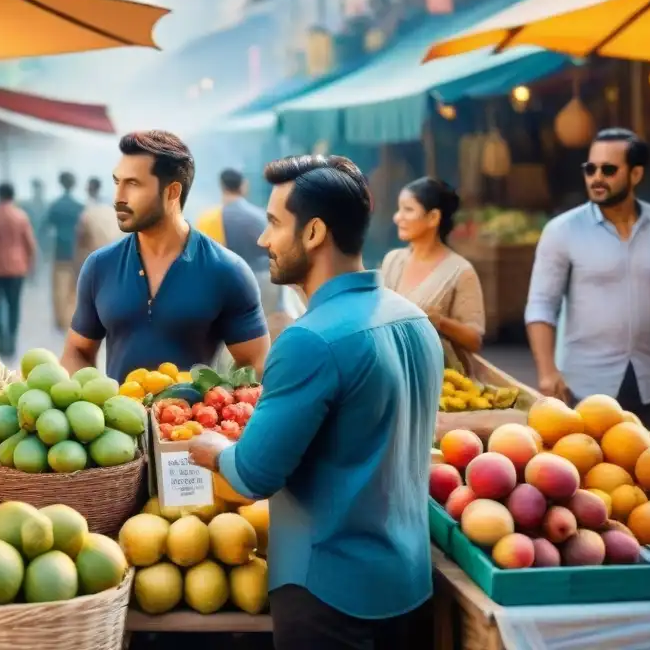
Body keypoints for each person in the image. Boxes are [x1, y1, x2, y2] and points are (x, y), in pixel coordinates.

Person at [187, 154, 441, 650]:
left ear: (314, 233)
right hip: (410, 584)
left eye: (275, 224)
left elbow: (254, 474)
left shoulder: (309, 341)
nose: (263, 241)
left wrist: (215, 448)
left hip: (329, 593)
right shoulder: (413, 319)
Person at [61, 130, 270, 382]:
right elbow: (77, 351)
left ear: (172, 192)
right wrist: (93, 404)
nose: (118, 197)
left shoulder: (227, 270)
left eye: (133, 184)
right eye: (118, 182)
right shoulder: (99, 266)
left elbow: (255, 364)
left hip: (192, 421)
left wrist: (214, 406)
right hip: (119, 418)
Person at [526, 127, 650, 429]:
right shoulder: (562, 231)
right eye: (590, 168)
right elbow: (541, 305)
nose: (596, 177)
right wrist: (547, 372)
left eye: (608, 170)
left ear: (635, 174)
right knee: (596, 472)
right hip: (586, 385)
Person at [382, 177, 485, 373]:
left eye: (408, 210)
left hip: (442, 380)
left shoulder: (460, 271)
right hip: (392, 372)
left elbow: (474, 340)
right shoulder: (392, 261)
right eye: (399, 209)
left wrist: (440, 322)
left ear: (433, 218)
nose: (397, 217)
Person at [198, 169, 307, 343]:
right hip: (265, 282)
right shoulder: (259, 216)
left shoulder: (209, 219)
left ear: (221, 186)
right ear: (243, 186)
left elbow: (205, 262)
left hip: (232, 285)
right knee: (265, 335)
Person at [0, 182, 37, 359]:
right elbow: (30, 244)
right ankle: (11, 339)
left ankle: (1, 336)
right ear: (13, 196)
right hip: (17, 268)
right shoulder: (21, 216)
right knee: (14, 306)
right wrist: (31, 267)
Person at [46, 172, 85, 330]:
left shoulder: (55, 205)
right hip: (76, 250)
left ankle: (60, 320)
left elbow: (46, 226)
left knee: (59, 287)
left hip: (60, 249)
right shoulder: (80, 207)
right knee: (74, 286)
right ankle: (72, 318)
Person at [74, 176, 122, 271]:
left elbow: (80, 239)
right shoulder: (109, 207)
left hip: (93, 256)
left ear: (89, 189)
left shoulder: (87, 210)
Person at [19, 178, 49, 283]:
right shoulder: (27, 205)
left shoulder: (46, 205)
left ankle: (35, 276)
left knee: (38, 257)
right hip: (31, 233)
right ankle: (32, 276)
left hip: (41, 236)